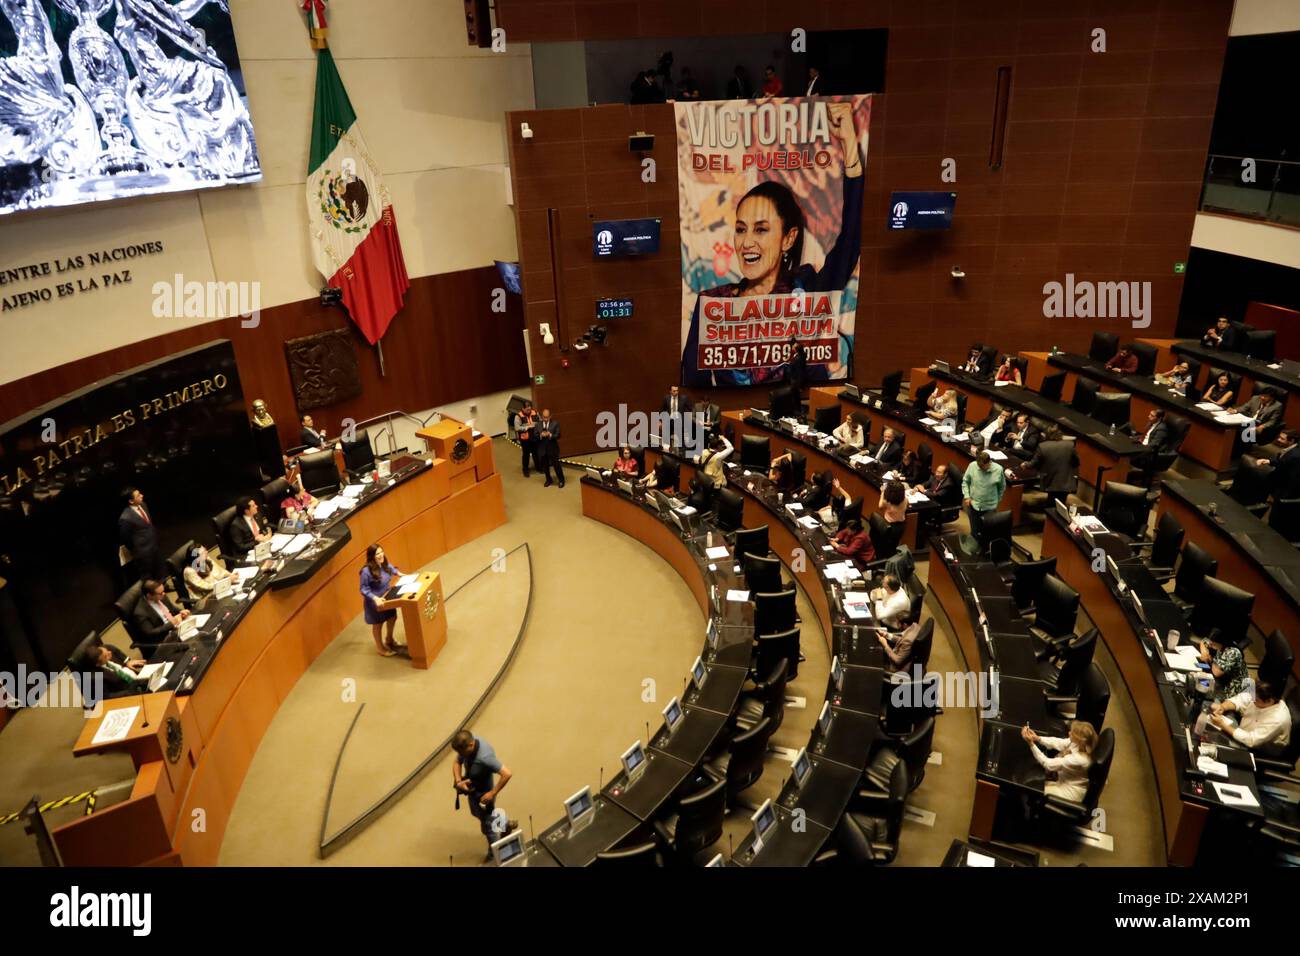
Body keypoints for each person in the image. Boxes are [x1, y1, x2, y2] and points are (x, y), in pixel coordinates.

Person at [681, 101, 862, 386]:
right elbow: (694, 383)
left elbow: (851, 239)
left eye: (761, 229)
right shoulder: (713, 304)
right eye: (741, 229)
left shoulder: (806, 288)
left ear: (788, 238)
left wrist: (850, 142)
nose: (747, 242)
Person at [452, 729, 514, 861]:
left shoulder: (485, 758)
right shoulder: (468, 742)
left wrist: (492, 793)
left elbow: (507, 773)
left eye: (462, 752)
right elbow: (457, 762)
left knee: (488, 829)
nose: (460, 755)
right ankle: (505, 823)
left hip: (484, 797)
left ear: (470, 745)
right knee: (476, 813)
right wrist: (459, 782)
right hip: (473, 791)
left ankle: (494, 856)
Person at [1021, 720, 1098, 803]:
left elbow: (1047, 763)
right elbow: (1059, 742)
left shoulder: (1079, 759)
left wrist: (1031, 743)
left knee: (1034, 788)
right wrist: (1038, 738)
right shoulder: (1079, 744)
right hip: (1063, 779)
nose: (1069, 733)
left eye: (1072, 733)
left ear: (1079, 740)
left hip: (1069, 792)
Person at [1209, 681, 1291, 751]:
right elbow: (1241, 699)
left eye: (1256, 699)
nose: (1252, 699)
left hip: (1258, 749)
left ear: (1270, 701)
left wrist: (1223, 725)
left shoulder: (1278, 719)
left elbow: (1251, 740)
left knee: (1213, 745)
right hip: (1242, 731)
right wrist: (1223, 707)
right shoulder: (1260, 693)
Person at [359, 544, 403, 656]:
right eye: (377, 553)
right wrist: (375, 598)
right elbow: (363, 589)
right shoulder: (366, 572)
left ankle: (389, 639)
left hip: (387, 597)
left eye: (381, 552)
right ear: (372, 556)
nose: (380, 555)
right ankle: (380, 648)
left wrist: (399, 574)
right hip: (375, 602)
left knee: (392, 617)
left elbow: (391, 568)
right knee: (378, 624)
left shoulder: (384, 563)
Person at [118, 487, 162, 580]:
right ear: (131, 501)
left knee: (158, 571)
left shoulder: (143, 505)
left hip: (154, 546)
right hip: (143, 553)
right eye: (138, 495)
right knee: (148, 578)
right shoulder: (125, 518)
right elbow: (126, 539)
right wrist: (138, 549)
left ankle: (162, 587)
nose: (142, 495)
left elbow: (148, 524)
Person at [1029, 427, 1080, 506]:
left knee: (1051, 502)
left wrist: (1025, 465)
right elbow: (1077, 462)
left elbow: (1034, 463)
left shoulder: (1043, 446)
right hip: (1065, 480)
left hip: (1050, 480)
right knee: (1061, 502)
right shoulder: (1070, 445)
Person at [132, 578, 190, 647]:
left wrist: (181, 611)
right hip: (165, 638)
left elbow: (172, 608)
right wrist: (171, 624)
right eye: (160, 593)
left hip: (177, 628)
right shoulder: (140, 612)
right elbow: (151, 633)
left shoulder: (161, 595)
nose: (164, 594)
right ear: (149, 595)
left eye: (163, 591)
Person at [962, 450, 1006, 539]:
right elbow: (965, 482)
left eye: (983, 466)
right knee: (974, 532)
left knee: (988, 533)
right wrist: (967, 497)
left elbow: (1002, 487)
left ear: (989, 462)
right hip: (973, 505)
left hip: (990, 507)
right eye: (979, 466)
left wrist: (997, 500)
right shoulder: (972, 466)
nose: (981, 468)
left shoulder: (998, 469)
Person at [1197, 628, 1247, 702]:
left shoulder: (1233, 652)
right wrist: (1205, 653)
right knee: (1197, 672)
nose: (1210, 645)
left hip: (1231, 685)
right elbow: (1203, 641)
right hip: (1219, 675)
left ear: (1222, 642)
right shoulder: (1217, 643)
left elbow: (1217, 672)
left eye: (1212, 643)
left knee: (1201, 688)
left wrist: (1211, 660)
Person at [82, 642, 147, 699]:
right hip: (131, 692)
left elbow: (122, 658)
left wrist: (127, 662)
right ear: (98, 664)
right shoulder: (95, 678)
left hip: (140, 679)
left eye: (107, 651)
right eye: (106, 656)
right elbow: (107, 696)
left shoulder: (106, 649)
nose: (110, 653)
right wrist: (130, 692)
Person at [537, 409, 565, 488]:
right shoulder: (538, 425)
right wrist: (540, 435)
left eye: (547, 417)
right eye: (544, 417)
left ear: (550, 416)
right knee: (545, 466)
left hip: (553, 448)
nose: (545, 419)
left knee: (556, 465)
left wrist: (550, 435)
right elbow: (535, 436)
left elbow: (558, 435)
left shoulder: (555, 424)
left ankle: (561, 480)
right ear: (542, 416)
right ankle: (548, 480)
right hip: (542, 449)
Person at [514, 401, 539, 478]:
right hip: (525, 439)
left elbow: (540, 422)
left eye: (530, 407)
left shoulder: (535, 413)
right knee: (526, 455)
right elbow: (517, 428)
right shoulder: (518, 416)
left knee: (536, 453)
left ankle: (538, 468)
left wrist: (536, 426)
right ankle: (525, 469)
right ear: (523, 408)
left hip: (534, 437)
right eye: (527, 408)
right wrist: (527, 427)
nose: (529, 409)